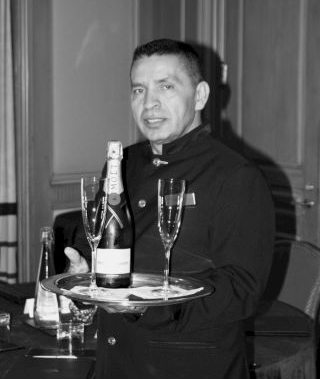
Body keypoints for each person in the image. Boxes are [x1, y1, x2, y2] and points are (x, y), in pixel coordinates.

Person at [65, 38, 275, 379]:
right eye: (138, 90)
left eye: (166, 86)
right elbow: (108, 246)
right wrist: (88, 275)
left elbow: (241, 290)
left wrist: (144, 307)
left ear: (201, 95)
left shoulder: (236, 176)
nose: (149, 104)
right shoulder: (123, 163)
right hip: (115, 362)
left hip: (188, 366)